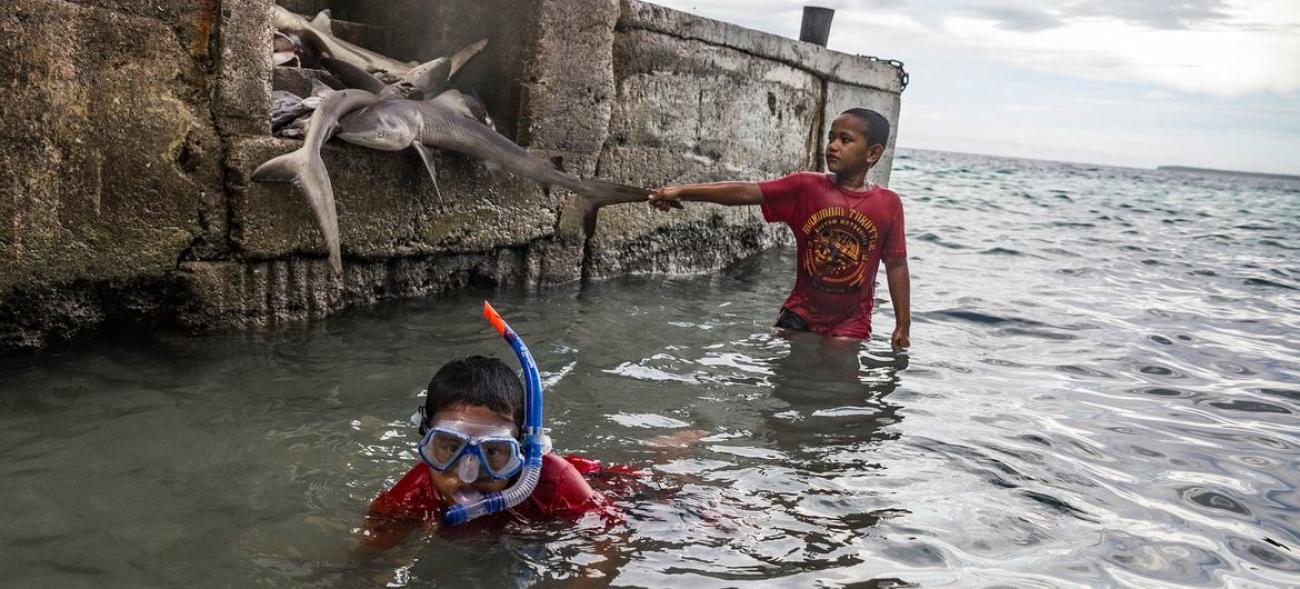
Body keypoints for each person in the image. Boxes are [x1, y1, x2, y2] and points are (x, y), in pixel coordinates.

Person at [361, 304, 623, 549]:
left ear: (523, 449)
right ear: (427, 438)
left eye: (493, 451)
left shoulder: (555, 482)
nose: (468, 474)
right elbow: (368, 556)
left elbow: (611, 539)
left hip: (606, 483)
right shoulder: (417, 490)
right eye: (451, 446)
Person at [650, 108, 911, 348]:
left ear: (872, 154)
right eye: (831, 138)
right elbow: (745, 192)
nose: (832, 146)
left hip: (850, 324)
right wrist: (682, 191)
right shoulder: (806, 188)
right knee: (788, 384)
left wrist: (903, 324)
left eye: (845, 140)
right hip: (799, 313)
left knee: (838, 387)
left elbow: (896, 265)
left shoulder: (888, 204)